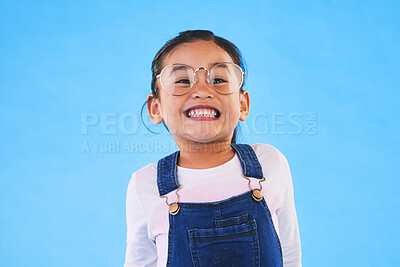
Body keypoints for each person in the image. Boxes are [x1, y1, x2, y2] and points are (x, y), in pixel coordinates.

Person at [124, 30, 301, 267]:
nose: (202, 90)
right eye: (182, 81)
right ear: (155, 109)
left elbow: (289, 255)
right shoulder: (145, 184)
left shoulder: (270, 164)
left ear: (242, 104)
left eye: (218, 80)